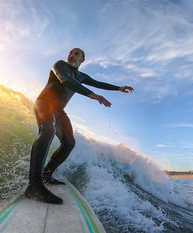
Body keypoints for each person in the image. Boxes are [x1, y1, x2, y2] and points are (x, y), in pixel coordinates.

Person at [25, 48, 134, 204]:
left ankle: (46, 175)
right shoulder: (60, 65)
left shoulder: (81, 76)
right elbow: (65, 80)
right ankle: (34, 185)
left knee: (69, 143)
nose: (72, 55)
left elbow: (98, 83)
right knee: (48, 129)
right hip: (45, 103)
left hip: (59, 111)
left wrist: (118, 88)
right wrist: (92, 95)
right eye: (70, 53)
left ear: (83, 60)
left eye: (76, 54)